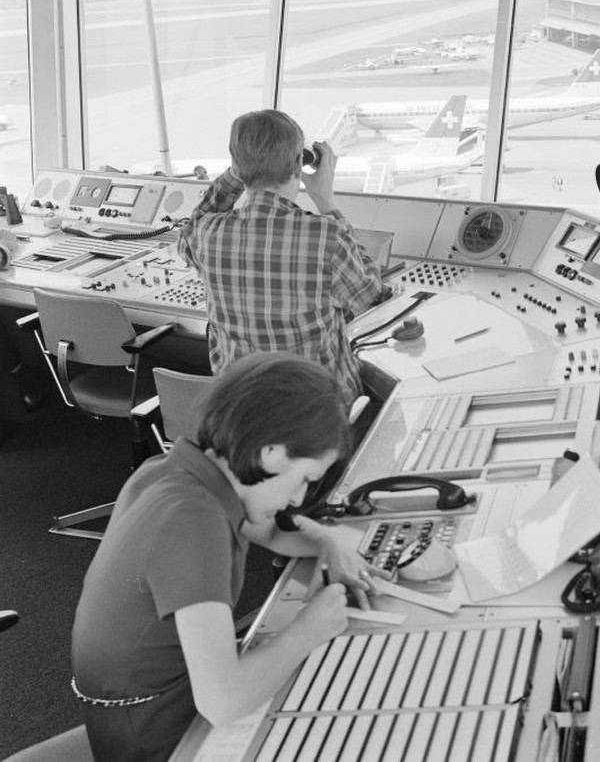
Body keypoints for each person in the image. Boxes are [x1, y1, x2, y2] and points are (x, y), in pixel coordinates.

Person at [71, 352, 385, 762]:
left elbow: (273, 531)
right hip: (161, 741)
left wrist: (329, 540)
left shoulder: (177, 472)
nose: (298, 499)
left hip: (154, 710)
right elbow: (223, 701)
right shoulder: (192, 521)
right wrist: (312, 626)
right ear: (271, 453)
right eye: (306, 479)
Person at [177, 110, 383, 411]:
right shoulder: (326, 234)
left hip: (239, 411)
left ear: (236, 165)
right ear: (299, 163)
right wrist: (326, 201)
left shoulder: (205, 233)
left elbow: (192, 223)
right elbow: (369, 296)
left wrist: (235, 175)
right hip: (315, 414)